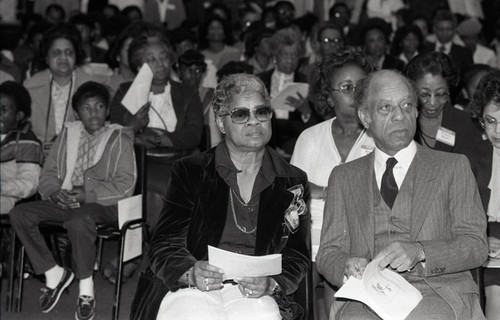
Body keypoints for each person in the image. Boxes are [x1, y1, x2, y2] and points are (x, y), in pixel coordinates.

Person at [130, 73, 310, 320]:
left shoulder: (292, 180)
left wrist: (272, 284)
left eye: (261, 111)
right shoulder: (191, 171)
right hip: (194, 285)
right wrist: (190, 272)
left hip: (257, 292)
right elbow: (164, 243)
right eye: (240, 114)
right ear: (221, 123)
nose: (253, 121)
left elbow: (297, 255)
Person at [317, 69, 488, 319]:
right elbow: (328, 253)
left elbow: (476, 245)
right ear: (365, 116)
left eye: (407, 105)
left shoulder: (452, 167)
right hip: (368, 296)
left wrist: (421, 251)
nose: (400, 116)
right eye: (385, 108)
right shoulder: (344, 177)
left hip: (438, 290)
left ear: (417, 111)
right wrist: (346, 265)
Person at [9, 81, 136, 320]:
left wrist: (87, 194)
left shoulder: (119, 138)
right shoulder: (68, 134)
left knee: (80, 220)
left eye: (99, 107)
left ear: (107, 111)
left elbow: (125, 186)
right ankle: (54, 272)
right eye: (86, 108)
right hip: (65, 201)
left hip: (105, 206)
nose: (94, 112)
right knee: (20, 214)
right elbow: (47, 174)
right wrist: (55, 192)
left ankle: (86, 289)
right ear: (77, 113)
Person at [291, 47, 375, 318]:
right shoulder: (311, 138)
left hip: (365, 239)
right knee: (299, 280)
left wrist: (321, 191)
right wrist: (328, 192)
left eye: (362, 86)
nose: (356, 94)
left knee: (337, 283)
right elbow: (293, 193)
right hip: (312, 238)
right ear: (328, 94)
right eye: (347, 87)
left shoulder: (380, 137)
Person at [110, 27, 203, 233]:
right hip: (139, 162)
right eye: (151, 59)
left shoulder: (187, 92)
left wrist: (157, 138)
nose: (160, 64)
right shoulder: (125, 92)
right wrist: (134, 125)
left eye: (163, 57)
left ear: (171, 60)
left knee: (173, 186)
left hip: (179, 161)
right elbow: (116, 133)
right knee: (158, 189)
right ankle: (152, 250)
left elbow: (194, 134)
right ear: (138, 65)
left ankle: (149, 251)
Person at [24, 23, 110, 153]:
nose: (63, 57)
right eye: (56, 53)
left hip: (83, 156)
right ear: (47, 58)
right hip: (38, 158)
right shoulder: (29, 87)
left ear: (77, 56)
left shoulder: (95, 87)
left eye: (69, 52)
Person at [404, 51, 484, 163]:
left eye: (441, 94)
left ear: (449, 90)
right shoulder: (402, 121)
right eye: (424, 94)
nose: (432, 103)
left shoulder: (466, 124)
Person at [258, 27, 320, 157]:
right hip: (264, 146)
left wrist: (306, 111)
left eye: (294, 55)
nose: (290, 60)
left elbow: (317, 127)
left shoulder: (305, 80)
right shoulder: (260, 80)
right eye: (285, 55)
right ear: (275, 56)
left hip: (297, 148)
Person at [468, 69, 500, 320]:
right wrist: (482, 238)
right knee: (495, 292)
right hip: (487, 234)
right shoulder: (475, 156)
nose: (498, 130)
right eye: (491, 121)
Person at [1, 81, 43, 214]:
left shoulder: (27, 142)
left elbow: (30, 184)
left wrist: (2, 187)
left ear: (19, 115)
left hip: (13, 198)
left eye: (3, 110)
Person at [422, 9, 473, 75]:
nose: (444, 33)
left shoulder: (464, 53)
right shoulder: (425, 50)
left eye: (448, 29)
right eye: (441, 29)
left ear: (454, 30)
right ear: (434, 29)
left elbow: (469, 76)